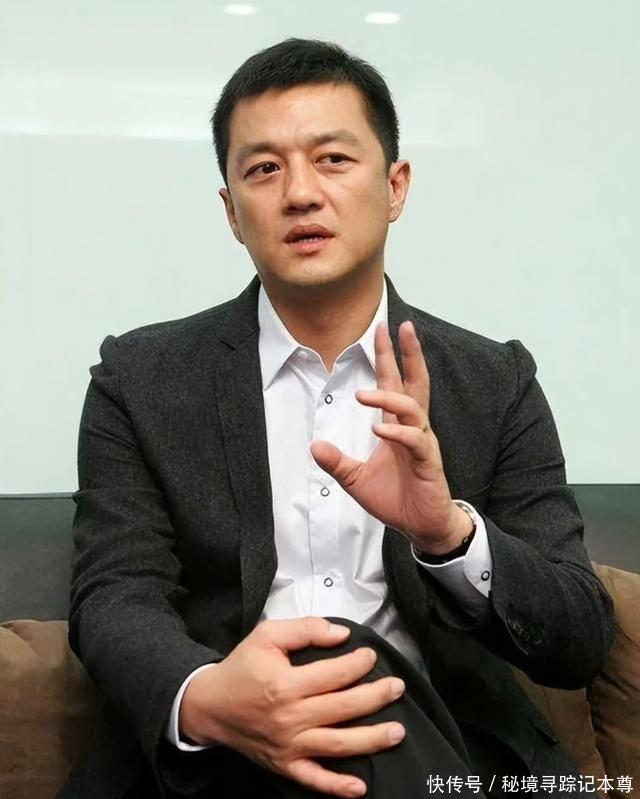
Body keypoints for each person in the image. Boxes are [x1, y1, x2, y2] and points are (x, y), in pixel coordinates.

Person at [58, 38, 616, 799]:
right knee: (319, 660)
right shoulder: (140, 380)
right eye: (264, 169)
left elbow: (579, 637)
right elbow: (115, 594)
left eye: (332, 159)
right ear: (231, 212)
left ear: (395, 186)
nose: (299, 193)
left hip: (436, 753)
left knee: (353, 667)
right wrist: (211, 697)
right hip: (222, 765)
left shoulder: (495, 382)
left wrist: (447, 535)